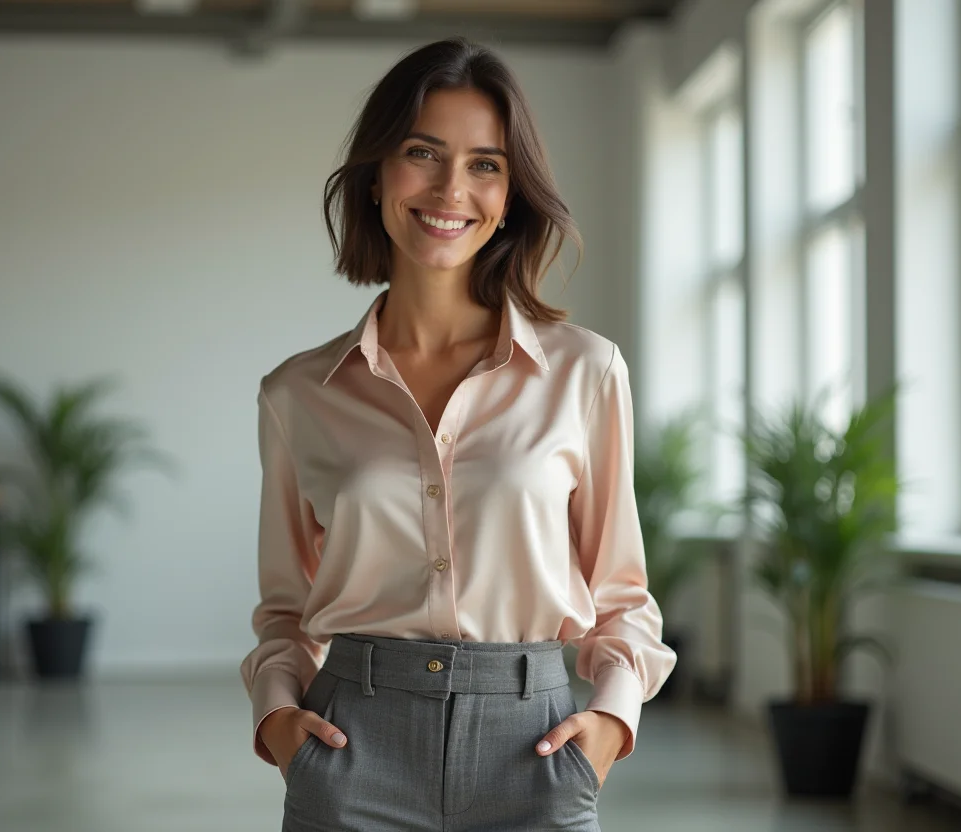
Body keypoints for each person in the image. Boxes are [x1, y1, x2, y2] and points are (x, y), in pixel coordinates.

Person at [239, 36, 677, 832]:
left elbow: (621, 597)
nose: (450, 188)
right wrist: (279, 722)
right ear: (376, 176)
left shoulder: (586, 373)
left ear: (511, 195)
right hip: (351, 750)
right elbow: (284, 610)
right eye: (423, 153)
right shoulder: (297, 393)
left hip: (537, 752)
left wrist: (609, 725)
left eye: (485, 163)